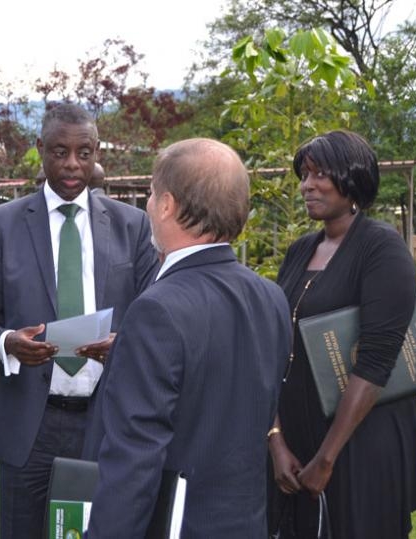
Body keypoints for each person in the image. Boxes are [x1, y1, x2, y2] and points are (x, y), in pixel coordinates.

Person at [0, 102, 158, 539]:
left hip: (107, 419)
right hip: (31, 424)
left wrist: (122, 345)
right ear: (40, 149)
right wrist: (9, 342)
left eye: (84, 153)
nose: (73, 164)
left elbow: (154, 321)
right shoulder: (3, 224)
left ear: (96, 152)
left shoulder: (132, 225)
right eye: (60, 152)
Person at [84, 138, 292, 537]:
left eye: (149, 195)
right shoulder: (271, 297)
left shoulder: (156, 310)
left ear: (166, 205)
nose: (146, 206)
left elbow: (134, 458)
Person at [268, 130, 416, 538]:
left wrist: (326, 458)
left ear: (352, 179)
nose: (307, 185)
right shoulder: (301, 249)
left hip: (358, 441)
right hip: (299, 436)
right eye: (304, 175)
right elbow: (275, 346)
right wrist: (276, 439)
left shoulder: (382, 249)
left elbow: (375, 362)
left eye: (320, 174)